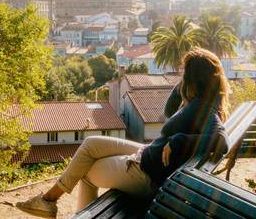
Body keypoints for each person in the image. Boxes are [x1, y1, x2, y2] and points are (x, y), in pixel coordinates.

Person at [15, 48, 230, 218]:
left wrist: (179, 141)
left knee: (86, 173)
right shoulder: (199, 101)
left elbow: (221, 140)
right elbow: (167, 111)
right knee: (91, 144)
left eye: (185, 73)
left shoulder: (202, 108)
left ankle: (51, 203)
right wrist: (183, 86)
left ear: (194, 79)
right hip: (149, 156)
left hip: (146, 174)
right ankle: (48, 201)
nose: (180, 74)